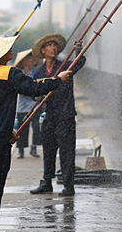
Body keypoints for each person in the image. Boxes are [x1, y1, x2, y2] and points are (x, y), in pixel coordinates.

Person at [0, 33, 70, 232]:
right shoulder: (8, 73)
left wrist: (6, 130)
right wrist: (58, 80)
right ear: (0, 54)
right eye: (7, 48)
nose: (11, 50)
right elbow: (34, 88)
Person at [29, 33, 85, 197]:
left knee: (67, 151)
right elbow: (33, 90)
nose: (53, 48)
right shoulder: (38, 72)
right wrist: (38, 97)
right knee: (48, 150)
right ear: (43, 50)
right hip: (48, 116)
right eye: (49, 45)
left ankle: (68, 185)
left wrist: (78, 50)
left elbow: (80, 62)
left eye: (55, 45)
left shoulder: (66, 66)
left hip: (65, 115)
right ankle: (47, 182)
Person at [12, 50, 41, 159]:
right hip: (23, 107)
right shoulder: (19, 74)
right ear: (23, 61)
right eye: (28, 59)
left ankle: (34, 147)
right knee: (22, 129)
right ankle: (21, 150)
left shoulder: (35, 73)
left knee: (36, 127)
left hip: (35, 105)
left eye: (31, 58)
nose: (31, 60)